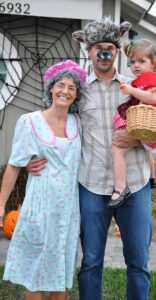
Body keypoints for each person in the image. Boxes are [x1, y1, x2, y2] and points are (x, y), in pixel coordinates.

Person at [27, 17, 152, 300]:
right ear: (89, 50)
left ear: (117, 50)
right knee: (91, 261)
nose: (104, 52)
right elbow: (54, 125)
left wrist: (137, 139)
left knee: (139, 263)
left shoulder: (135, 87)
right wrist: (31, 158)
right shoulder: (78, 91)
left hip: (134, 184)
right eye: (98, 48)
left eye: (110, 47)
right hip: (92, 186)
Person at [0, 60, 87, 300]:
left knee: (60, 278)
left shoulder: (77, 122)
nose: (65, 91)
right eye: (61, 85)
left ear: (76, 94)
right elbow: (14, 165)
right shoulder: (30, 122)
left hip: (68, 210)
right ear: (50, 88)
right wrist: (0, 204)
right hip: (40, 207)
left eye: (71, 87)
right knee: (36, 274)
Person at [108, 39, 156, 208]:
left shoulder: (151, 78)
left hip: (148, 118)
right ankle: (151, 177)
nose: (135, 65)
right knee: (147, 150)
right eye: (132, 61)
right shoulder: (143, 78)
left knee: (116, 148)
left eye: (141, 61)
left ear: (153, 63)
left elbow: (154, 98)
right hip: (145, 119)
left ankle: (120, 187)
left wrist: (131, 90)